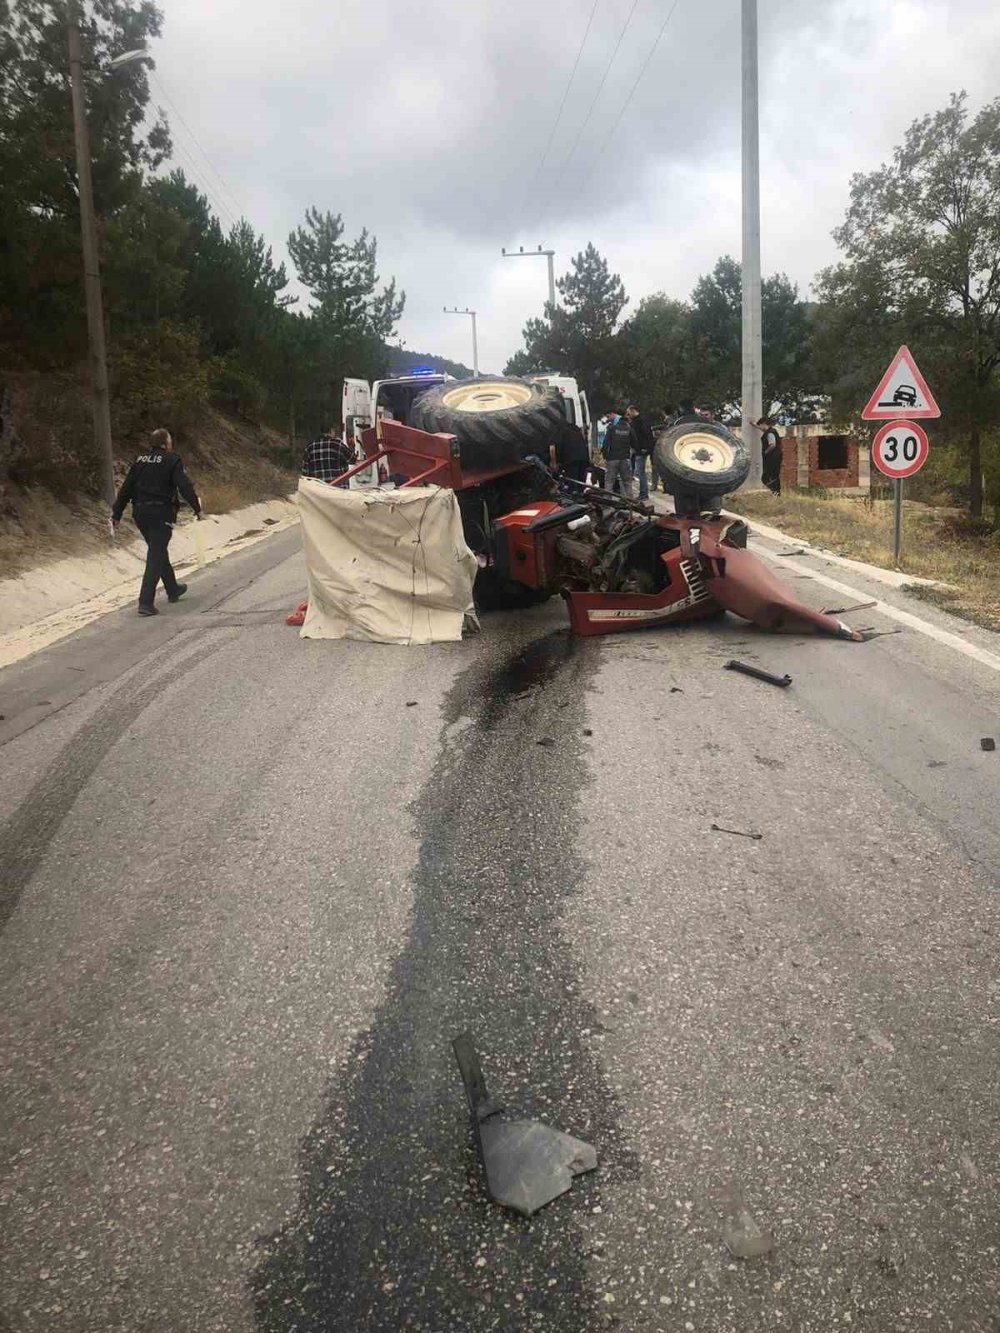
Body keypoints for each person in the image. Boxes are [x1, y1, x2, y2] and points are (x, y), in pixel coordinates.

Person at [112, 427, 201, 617]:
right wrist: (197, 507)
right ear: (165, 443)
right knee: (156, 554)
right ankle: (145, 602)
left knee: (158, 549)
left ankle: (172, 589)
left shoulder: (140, 462)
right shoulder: (172, 460)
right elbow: (183, 485)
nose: (171, 444)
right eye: (169, 441)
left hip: (141, 514)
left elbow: (126, 489)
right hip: (161, 512)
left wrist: (116, 514)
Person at [548, 414, 591, 484]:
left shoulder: (558, 429)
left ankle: (572, 493)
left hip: (571, 459)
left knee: (572, 482)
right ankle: (579, 493)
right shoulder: (574, 428)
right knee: (580, 482)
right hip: (584, 458)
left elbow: (552, 447)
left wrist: (554, 463)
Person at [602, 409, 634, 499]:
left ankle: (608, 503)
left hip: (612, 458)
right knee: (627, 482)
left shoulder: (612, 428)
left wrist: (606, 456)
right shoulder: (629, 429)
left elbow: (605, 445)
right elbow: (635, 443)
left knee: (609, 482)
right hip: (625, 458)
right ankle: (629, 502)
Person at [625, 404, 654, 502]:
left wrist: (644, 448)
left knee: (641, 473)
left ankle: (643, 494)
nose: (628, 415)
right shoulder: (639, 421)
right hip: (639, 449)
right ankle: (643, 493)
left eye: (629, 413)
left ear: (633, 411)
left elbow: (646, 435)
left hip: (641, 450)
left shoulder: (639, 422)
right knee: (639, 472)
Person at [753, 417, 782, 494]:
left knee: (767, 477)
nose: (760, 428)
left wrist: (765, 452)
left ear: (764, 424)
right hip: (775, 457)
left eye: (761, 425)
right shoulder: (771, 431)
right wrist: (754, 425)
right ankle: (775, 493)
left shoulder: (770, 433)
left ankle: (775, 492)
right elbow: (762, 429)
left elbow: (772, 445)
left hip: (772, 458)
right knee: (773, 476)